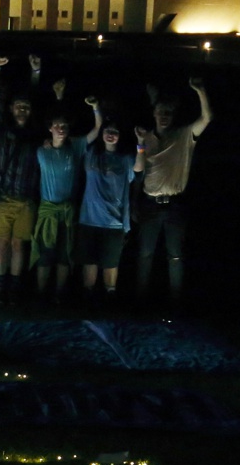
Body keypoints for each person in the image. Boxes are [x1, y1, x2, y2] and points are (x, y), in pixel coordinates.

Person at [134, 77, 212, 308]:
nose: (164, 115)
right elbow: (137, 173)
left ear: (173, 114)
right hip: (149, 203)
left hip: (175, 204)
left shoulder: (184, 135)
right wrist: (134, 204)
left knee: (175, 256)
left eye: (168, 112)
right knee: (145, 254)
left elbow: (207, 118)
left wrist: (201, 90)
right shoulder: (145, 138)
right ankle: (139, 304)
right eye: (160, 111)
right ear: (154, 113)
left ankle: (175, 304)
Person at [0, 54, 43, 305]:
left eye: (26, 107)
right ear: (11, 108)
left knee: (19, 245)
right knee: (2, 243)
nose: (22, 109)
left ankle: (15, 289)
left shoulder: (35, 132)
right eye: (18, 105)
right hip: (3, 196)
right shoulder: (1, 129)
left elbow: (36, 97)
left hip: (25, 198)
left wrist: (36, 73)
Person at [76, 96, 143, 305]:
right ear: (103, 134)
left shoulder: (125, 159)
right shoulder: (90, 153)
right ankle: (87, 297)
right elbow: (89, 134)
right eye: (108, 131)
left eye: (114, 132)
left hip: (113, 221)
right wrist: (96, 109)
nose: (111, 135)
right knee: (89, 261)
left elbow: (139, 168)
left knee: (111, 263)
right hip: (89, 219)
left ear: (119, 136)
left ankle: (109, 297)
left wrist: (140, 144)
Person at [33, 113, 81, 306]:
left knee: (64, 255)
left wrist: (95, 110)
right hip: (48, 210)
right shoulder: (41, 151)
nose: (61, 128)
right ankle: (40, 294)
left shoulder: (75, 149)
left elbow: (95, 133)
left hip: (67, 210)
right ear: (50, 128)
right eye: (57, 125)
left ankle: (59, 295)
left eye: (65, 126)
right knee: (45, 255)